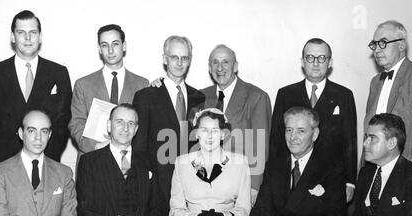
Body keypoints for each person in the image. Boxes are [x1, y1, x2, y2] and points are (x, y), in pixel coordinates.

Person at [270, 38, 357, 203]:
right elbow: (276, 140)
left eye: (322, 58)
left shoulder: (344, 95)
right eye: (310, 57)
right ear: (302, 62)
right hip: (294, 176)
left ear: (330, 62)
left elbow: (350, 141)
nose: (316, 63)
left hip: (331, 178)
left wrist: (350, 182)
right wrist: (275, 177)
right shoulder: (285, 94)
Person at [132, 35, 205, 204]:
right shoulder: (146, 96)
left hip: (192, 182)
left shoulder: (199, 97)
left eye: (184, 58)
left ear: (190, 61)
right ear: (165, 59)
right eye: (174, 57)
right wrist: (146, 179)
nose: (179, 63)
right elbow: (139, 144)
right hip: (157, 184)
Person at [201, 44, 272, 205]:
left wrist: (254, 187)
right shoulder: (201, 96)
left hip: (241, 183)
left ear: (235, 66)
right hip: (207, 184)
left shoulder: (256, 97)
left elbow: (261, 147)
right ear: (209, 67)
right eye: (215, 62)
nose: (220, 67)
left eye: (225, 62)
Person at [0, 10, 72, 163]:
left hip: (47, 162)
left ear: (40, 36)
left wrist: (49, 157)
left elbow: (64, 121)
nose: (27, 38)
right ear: (12, 37)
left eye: (33, 32)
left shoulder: (59, 73)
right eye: (21, 32)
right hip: (3, 164)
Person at [69, 24, 149, 159]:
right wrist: (95, 146)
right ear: (99, 49)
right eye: (105, 45)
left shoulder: (142, 84)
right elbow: (76, 124)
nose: (110, 50)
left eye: (115, 44)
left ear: (124, 46)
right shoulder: (83, 84)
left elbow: (144, 128)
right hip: (92, 158)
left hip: (128, 159)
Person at [364, 20, 412, 167]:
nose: (377, 50)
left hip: (406, 171)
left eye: (383, 43)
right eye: (374, 44)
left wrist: (411, 172)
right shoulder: (375, 82)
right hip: (373, 169)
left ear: (402, 45)